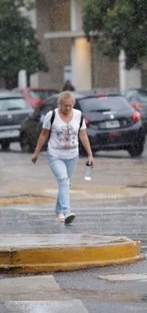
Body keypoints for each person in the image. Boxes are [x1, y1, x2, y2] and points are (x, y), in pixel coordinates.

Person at [31, 91, 94, 224]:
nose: (68, 108)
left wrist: (89, 154)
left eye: (70, 106)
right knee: (63, 180)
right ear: (59, 104)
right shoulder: (51, 115)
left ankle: (59, 211)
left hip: (72, 155)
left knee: (65, 183)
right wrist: (36, 153)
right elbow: (43, 135)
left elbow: (83, 135)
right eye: (65, 106)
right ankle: (66, 211)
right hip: (55, 155)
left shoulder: (78, 115)